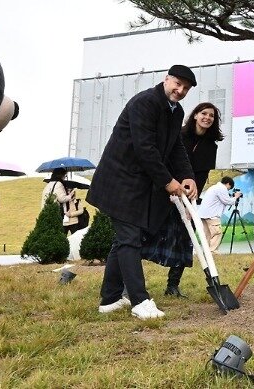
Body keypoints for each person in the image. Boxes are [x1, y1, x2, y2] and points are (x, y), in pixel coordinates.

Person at [87, 65, 198, 320]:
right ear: (166, 79)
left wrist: (187, 176)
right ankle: (139, 301)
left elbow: (176, 148)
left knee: (125, 240)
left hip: (137, 184)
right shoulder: (145, 103)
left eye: (185, 88)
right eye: (177, 84)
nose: (180, 91)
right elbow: (145, 149)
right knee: (129, 240)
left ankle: (110, 299)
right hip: (119, 181)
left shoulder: (175, 111)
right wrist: (168, 181)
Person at [142, 101, 225, 297]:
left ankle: (172, 285)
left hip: (188, 196)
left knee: (185, 237)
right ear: (195, 115)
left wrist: (192, 203)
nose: (207, 118)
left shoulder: (211, 146)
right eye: (203, 113)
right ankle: (131, 282)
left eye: (211, 116)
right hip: (165, 190)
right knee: (146, 235)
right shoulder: (178, 135)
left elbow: (202, 176)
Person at [196, 176, 241, 253]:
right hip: (212, 215)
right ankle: (212, 251)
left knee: (207, 235)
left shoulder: (213, 187)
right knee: (217, 233)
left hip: (203, 214)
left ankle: (206, 252)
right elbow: (227, 201)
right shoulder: (222, 188)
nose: (228, 190)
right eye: (229, 188)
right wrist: (236, 197)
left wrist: (231, 196)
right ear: (228, 184)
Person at [42, 168, 82, 235]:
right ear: (61, 175)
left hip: (46, 211)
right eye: (65, 175)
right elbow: (62, 199)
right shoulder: (58, 184)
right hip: (54, 212)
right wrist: (70, 196)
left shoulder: (49, 184)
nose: (64, 177)